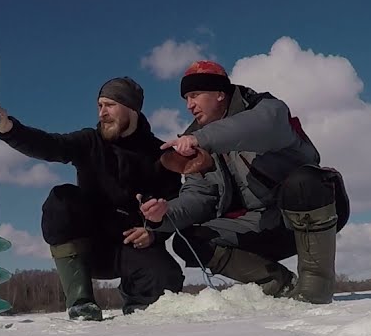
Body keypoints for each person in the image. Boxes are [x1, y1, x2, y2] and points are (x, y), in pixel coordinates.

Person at [139, 60, 348, 303]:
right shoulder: (196, 139)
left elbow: (260, 127)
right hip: (263, 224)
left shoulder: (266, 108)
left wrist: (200, 139)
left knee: (304, 181)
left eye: (195, 95)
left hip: (316, 207)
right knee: (191, 241)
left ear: (219, 94)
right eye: (186, 98)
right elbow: (199, 196)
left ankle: (316, 288)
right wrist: (164, 215)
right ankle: (279, 284)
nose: (189, 105)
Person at [0, 77, 184, 320]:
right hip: (88, 246)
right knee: (61, 199)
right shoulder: (89, 141)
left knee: (167, 276)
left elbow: (176, 205)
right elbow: (50, 145)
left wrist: (154, 232)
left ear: (132, 108)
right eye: (99, 106)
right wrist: (9, 128)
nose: (102, 113)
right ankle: (81, 302)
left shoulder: (160, 155)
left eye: (110, 105)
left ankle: (138, 306)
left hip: (133, 247)